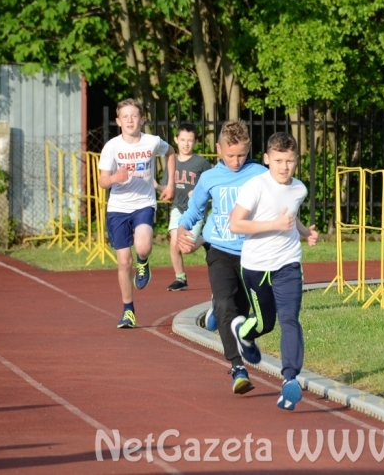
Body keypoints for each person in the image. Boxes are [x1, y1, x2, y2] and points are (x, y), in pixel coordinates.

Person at [229, 132, 319, 411]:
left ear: (296, 161)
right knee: (265, 323)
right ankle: (242, 331)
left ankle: (290, 378)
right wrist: (275, 225)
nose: (284, 167)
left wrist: (304, 233)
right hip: (256, 266)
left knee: (290, 319)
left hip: (288, 263)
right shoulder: (255, 186)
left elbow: (290, 213)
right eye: (278, 160)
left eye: (290, 161)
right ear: (267, 159)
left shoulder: (299, 189)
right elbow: (236, 225)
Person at [177, 121, 268, 394]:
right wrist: (183, 229)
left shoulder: (260, 174)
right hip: (219, 250)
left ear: (248, 148)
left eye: (241, 154)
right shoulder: (210, 178)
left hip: (252, 254)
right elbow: (194, 210)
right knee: (228, 307)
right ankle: (238, 368)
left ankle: (216, 313)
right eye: (230, 155)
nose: (236, 161)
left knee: (242, 312)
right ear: (218, 149)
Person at [98, 99, 176, 329]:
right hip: (118, 208)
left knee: (142, 247)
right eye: (125, 116)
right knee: (124, 261)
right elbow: (103, 181)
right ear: (118, 121)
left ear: (142, 119)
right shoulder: (112, 147)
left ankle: (143, 261)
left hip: (143, 203)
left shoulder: (152, 142)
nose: (130, 120)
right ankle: (128, 311)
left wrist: (170, 183)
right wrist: (114, 178)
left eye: (134, 116)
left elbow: (170, 152)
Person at [156, 123, 211, 291]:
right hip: (177, 208)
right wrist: (155, 185)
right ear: (176, 140)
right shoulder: (172, 162)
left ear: (195, 142)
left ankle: (206, 238)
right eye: (182, 140)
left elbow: (211, 186)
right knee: (174, 244)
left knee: (186, 248)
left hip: (196, 210)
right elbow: (167, 188)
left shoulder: (201, 163)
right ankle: (180, 278)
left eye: (190, 140)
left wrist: (198, 192)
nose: (186, 144)